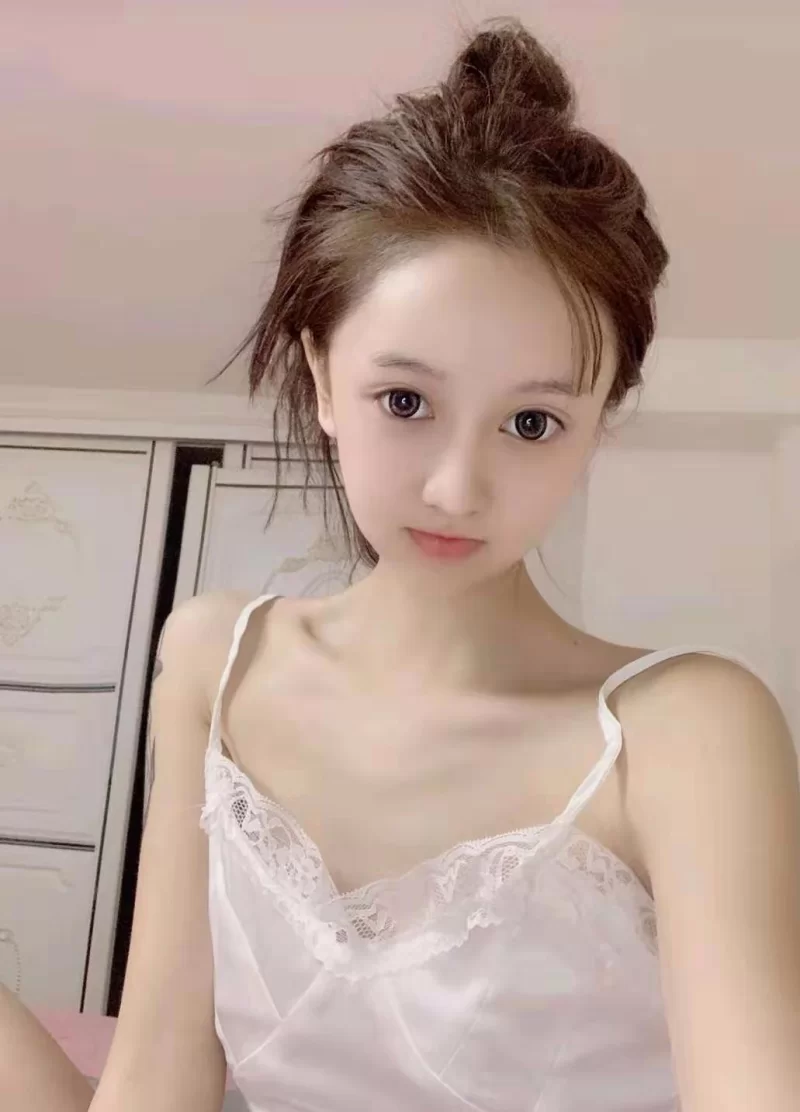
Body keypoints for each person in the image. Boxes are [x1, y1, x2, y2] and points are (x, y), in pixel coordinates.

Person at [3, 17, 800, 1112]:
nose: (456, 488)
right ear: (321, 375)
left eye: (530, 423)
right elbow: (156, 1082)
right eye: (406, 401)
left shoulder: (683, 731)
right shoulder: (216, 659)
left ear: (599, 421)